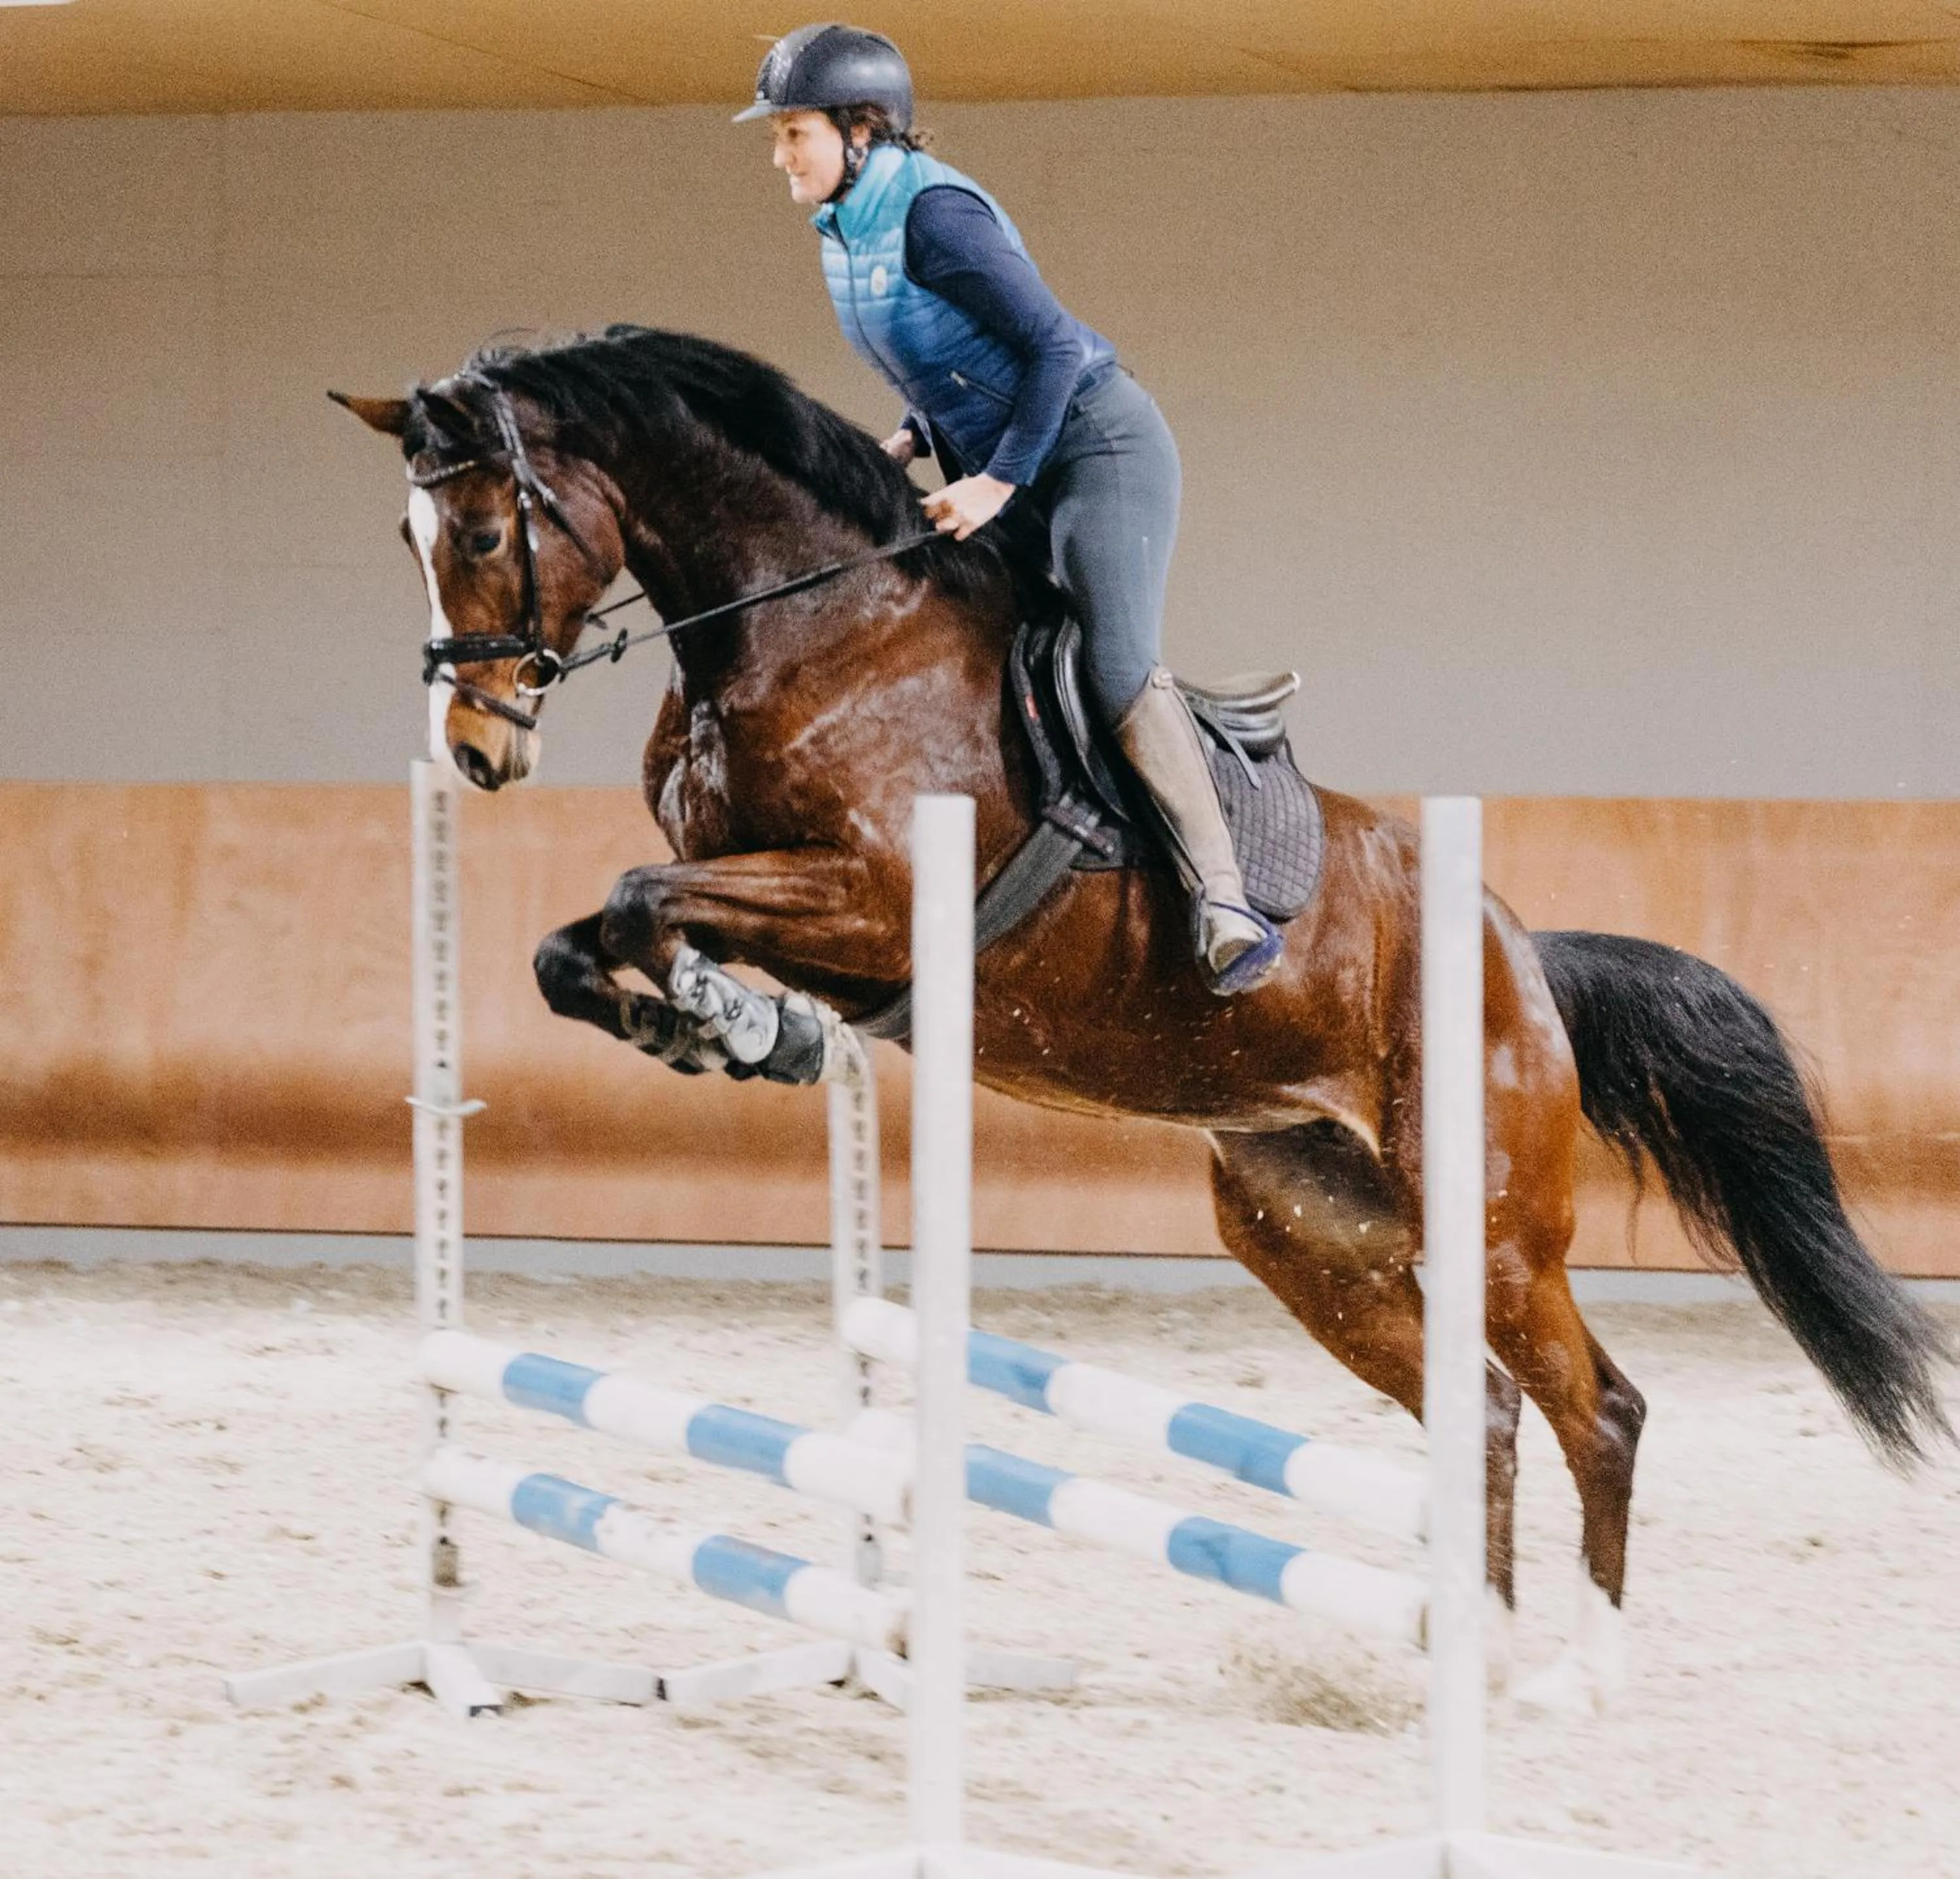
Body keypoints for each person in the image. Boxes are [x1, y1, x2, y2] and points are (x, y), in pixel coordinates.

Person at [736, 24, 1284, 996]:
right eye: (777, 136)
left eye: (793, 133)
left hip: (1095, 449)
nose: (779, 154)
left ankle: (1226, 897)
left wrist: (996, 483)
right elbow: (943, 357)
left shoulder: (936, 217)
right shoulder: (844, 231)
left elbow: (1052, 350)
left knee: (1112, 657)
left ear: (861, 131)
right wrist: (906, 440)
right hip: (1005, 459)